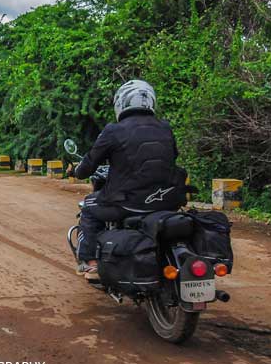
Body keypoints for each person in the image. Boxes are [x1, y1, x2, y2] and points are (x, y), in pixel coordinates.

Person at [67, 80, 187, 281]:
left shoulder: (113, 130)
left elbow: (89, 163)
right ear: (150, 101)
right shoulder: (165, 127)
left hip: (129, 203)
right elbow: (172, 156)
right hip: (168, 200)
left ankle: (91, 263)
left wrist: (77, 171)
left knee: (88, 207)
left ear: (121, 103)